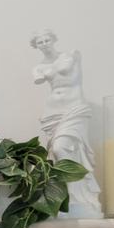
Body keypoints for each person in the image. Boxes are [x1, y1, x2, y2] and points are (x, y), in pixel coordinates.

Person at [29, 30, 102, 217]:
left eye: (46, 40)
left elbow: (66, 70)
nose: (44, 44)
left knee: (65, 148)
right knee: (58, 153)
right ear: (36, 46)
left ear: (53, 40)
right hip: (53, 113)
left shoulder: (71, 55)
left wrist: (52, 68)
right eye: (40, 42)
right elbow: (38, 78)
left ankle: (82, 197)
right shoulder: (38, 67)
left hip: (75, 108)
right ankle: (70, 198)